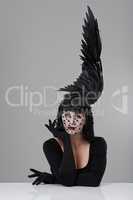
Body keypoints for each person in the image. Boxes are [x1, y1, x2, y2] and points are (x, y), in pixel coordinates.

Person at [28, 5, 107, 187]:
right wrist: (64, 139)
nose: (71, 121)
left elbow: (92, 182)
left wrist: (56, 177)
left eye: (77, 116)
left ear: (86, 119)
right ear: (61, 117)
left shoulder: (98, 145)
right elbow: (69, 182)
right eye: (67, 115)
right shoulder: (51, 145)